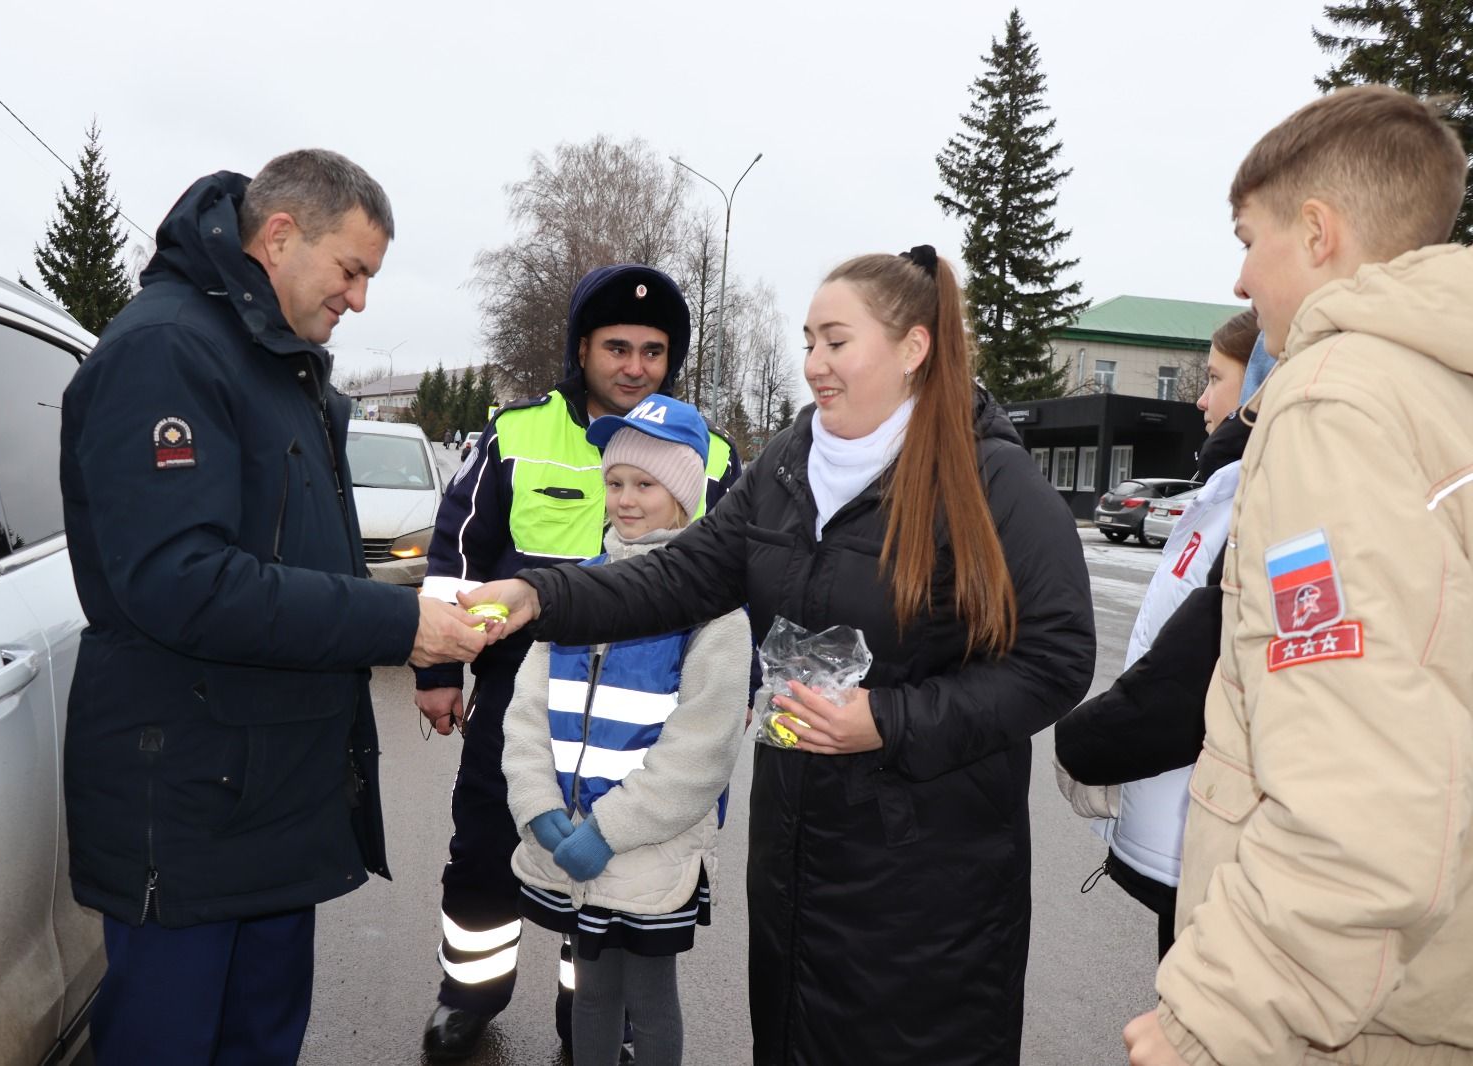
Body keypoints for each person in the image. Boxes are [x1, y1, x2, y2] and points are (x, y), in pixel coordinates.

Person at [469, 246, 1097, 1064]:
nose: (813, 366)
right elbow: (680, 575)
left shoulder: (988, 479)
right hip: (798, 853)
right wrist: (544, 597)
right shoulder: (788, 468)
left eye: (836, 342)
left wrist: (890, 720)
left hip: (927, 873)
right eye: (808, 342)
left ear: (912, 349)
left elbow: (1055, 658)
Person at [59, 150, 489, 1066]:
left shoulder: (279, 365)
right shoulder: (167, 353)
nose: (360, 299)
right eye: (352, 270)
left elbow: (293, 556)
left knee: (259, 1043)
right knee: (168, 1045)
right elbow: (181, 579)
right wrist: (400, 624)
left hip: (267, 796)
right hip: (187, 798)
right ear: (281, 235)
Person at [1123, 85, 1473, 1065]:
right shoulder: (1443, 392)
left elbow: (1359, 784)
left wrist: (1218, 1015)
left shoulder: (1335, 405)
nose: (1239, 278)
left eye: (1247, 237)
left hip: (1370, 1018)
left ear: (1316, 233)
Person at [414, 263, 741, 1062]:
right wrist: (435, 673)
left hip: (645, 728)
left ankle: (587, 1023)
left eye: (655, 351)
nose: (635, 366)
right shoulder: (518, 434)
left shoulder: (715, 457)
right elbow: (458, 551)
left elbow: (745, 590)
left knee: (607, 889)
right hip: (520, 697)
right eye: (618, 347)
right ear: (582, 349)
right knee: (486, 856)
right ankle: (470, 994)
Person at [503, 394, 750, 1066]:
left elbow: (701, 753)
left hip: (651, 850)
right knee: (588, 992)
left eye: (646, 484)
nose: (626, 499)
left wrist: (609, 831)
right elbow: (526, 714)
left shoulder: (716, 615)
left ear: (685, 495)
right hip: (570, 837)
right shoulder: (576, 590)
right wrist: (538, 806)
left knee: (648, 999)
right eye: (615, 482)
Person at [1054, 309, 1257, 961]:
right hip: (1183, 832)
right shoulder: (1221, 491)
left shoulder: (1264, 494)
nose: (1200, 396)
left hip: (1219, 846)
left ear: (1258, 385)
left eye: (1216, 377)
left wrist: (1095, 743)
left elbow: (1199, 673)